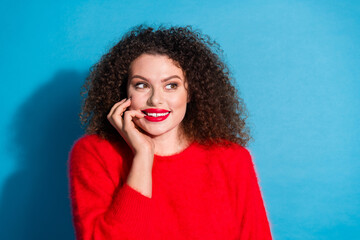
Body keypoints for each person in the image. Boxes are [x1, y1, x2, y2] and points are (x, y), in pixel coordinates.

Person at [69, 25, 272, 240]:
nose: (155, 99)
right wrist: (143, 156)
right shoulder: (94, 154)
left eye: (171, 86)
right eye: (141, 85)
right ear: (124, 92)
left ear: (191, 92)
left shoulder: (232, 159)